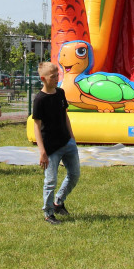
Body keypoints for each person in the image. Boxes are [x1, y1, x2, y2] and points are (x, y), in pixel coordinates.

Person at [32, 61, 80, 224]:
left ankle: (58, 201)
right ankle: (48, 213)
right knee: (50, 181)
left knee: (74, 175)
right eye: (53, 76)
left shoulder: (60, 93)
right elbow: (37, 127)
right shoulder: (39, 99)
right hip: (51, 148)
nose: (57, 78)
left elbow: (65, 115)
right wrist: (42, 152)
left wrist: (72, 137)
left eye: (57, 75)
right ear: (43, 79)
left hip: (67, 143)